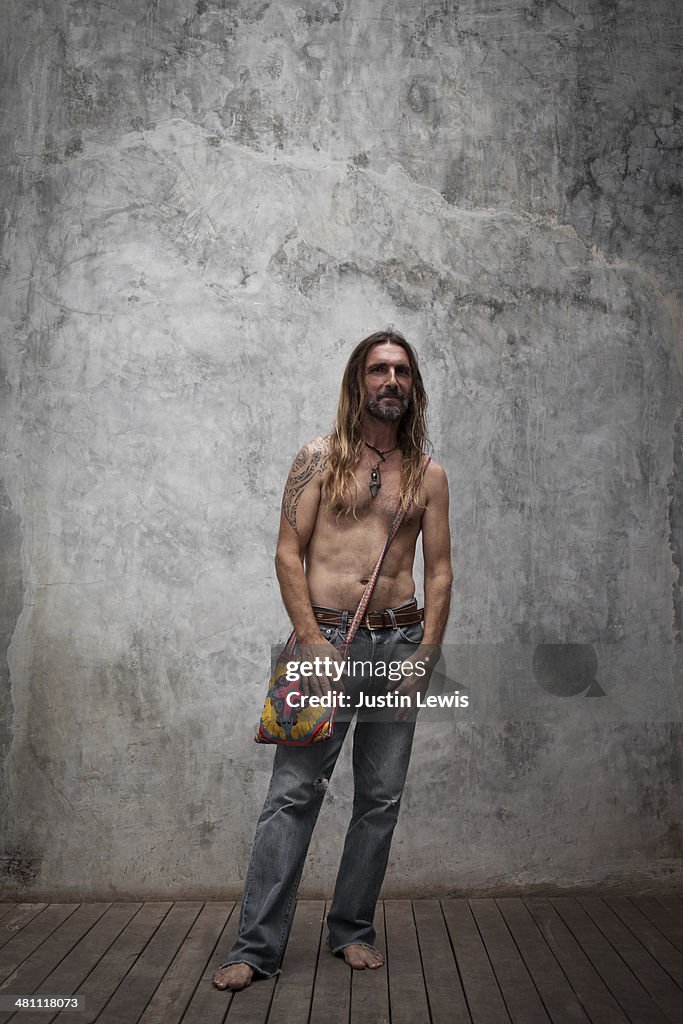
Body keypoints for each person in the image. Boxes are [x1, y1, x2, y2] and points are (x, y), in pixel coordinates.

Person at [212, 328, 452, 990]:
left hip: (397, 642)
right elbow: (287, 552)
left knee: (379, 797)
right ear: (357, 383)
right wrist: (309, 638)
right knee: (292, 794)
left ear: (414, 385)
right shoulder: (319, 460)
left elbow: (438, 572)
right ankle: (254, 948)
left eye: (401, 371)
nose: (390, 381)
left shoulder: (428, 474)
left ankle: (350, 930)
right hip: (323, 638)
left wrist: (425, 653)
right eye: (378, 370)